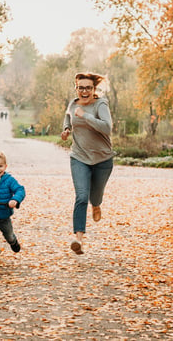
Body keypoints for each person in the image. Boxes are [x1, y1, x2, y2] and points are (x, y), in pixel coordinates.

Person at [61, 72, 114, 255]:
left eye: (88, 88)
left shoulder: (100, 104)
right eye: (81, 87)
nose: (84, 91)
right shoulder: (73, 103)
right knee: (82, 196)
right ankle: (78, 239)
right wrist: (66, 129)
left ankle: (97, 204)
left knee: (95, 195)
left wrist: (85, 116)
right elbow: (68, 116)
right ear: (76, 88)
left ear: (94, 89)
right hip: (79, 157)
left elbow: (107, 128)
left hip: (103, 159)